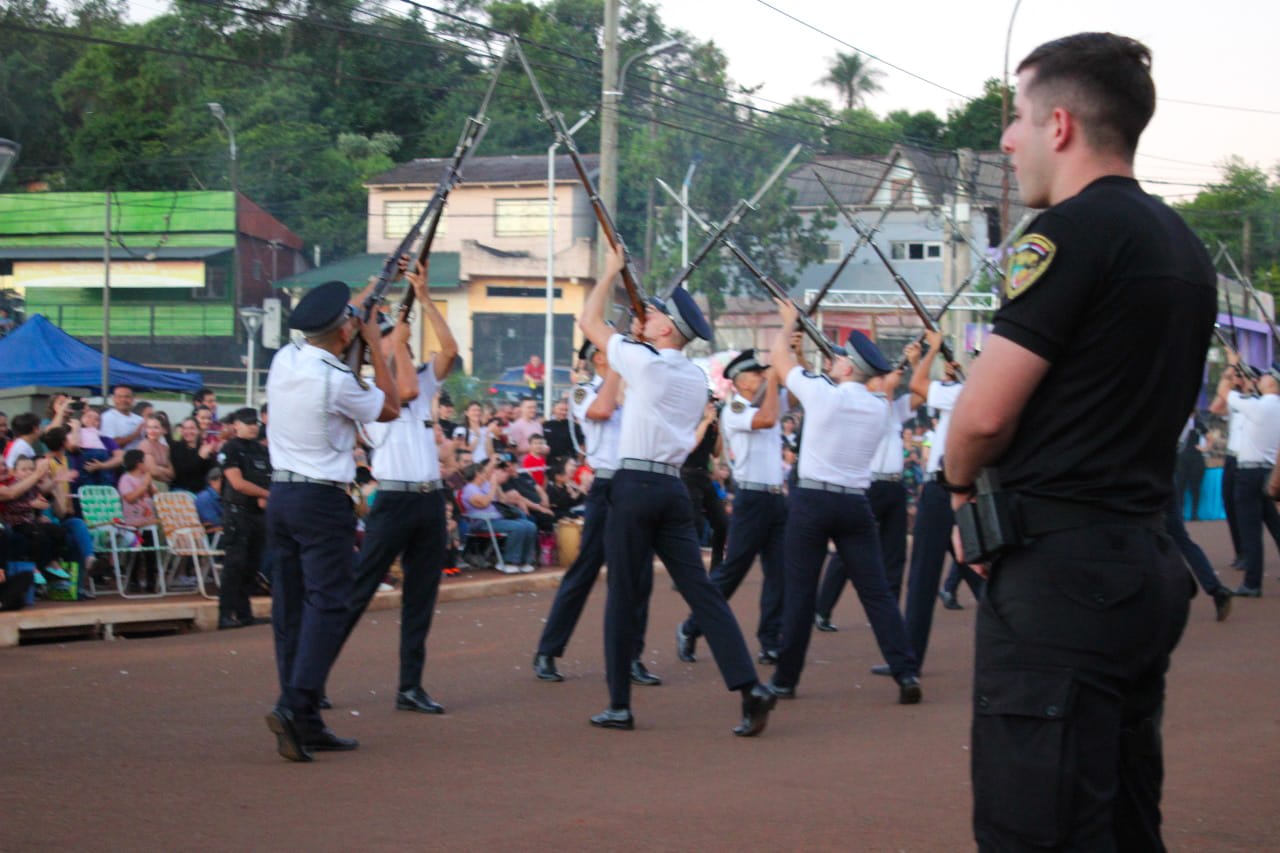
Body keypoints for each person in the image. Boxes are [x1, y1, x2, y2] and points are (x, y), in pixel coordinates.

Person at [943, 33, 1217, 849]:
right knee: (1124, 817)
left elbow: (984, 416)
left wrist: (959, 488)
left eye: (1017, 118)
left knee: (1040, 825)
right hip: (1137, 556)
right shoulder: (1181, 244)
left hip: (1061, 579)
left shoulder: (1068, 234)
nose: (1007, 139)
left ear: (1059, 125)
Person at [577, 244, 775, 736]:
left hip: (634, 484)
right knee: (703, 593)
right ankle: (749, 687)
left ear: (666, 330)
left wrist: (608, 274)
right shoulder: (691, 375)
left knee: (623, 595)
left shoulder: (644, 362)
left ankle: (619, 704)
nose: (648, 317)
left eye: (655, 315)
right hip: (671, 489)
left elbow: (588, 322)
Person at [262, 278, 400, 763]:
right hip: (322, 501)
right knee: (329, 606)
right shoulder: (337, 380)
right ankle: (294, 704)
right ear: (346, 333)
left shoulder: (286, 359)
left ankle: (306, 721)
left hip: (281, 495)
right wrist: (377, 347)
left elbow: (333, 320)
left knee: (291, 611)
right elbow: (389, 406)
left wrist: (368, 294)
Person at [766, 319, 921, 705]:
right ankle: (905, 672)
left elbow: (778, 360)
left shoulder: (822, 392)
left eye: (838, 359)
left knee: (801, 593)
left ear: (849, 368)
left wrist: (787, 325)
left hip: (812, 501)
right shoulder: (878, 407)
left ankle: (786, 680)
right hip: (855, 502)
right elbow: (883, 384)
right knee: (877, 592)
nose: (832, 362)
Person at [330, 257, 459, 717]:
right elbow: (401, 391)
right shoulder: (366, 387)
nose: (394, 337)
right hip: (394, 499)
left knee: (421, 597)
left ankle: (411, 686)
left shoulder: (422, 377)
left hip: (428, 498)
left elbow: (449, 349)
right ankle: (316, 673)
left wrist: (423, 300)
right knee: (359, 592)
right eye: (383, 334)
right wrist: (397, 344)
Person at [532, 336, 657, 685]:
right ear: (598, 357)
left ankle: (632, 656)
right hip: (607, 485)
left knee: (639, 574)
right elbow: (602, 410)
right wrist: (618, 372)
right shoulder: (584, 392)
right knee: (585, 570)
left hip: (636, 483)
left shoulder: (634, 390)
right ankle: (548, 650)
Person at [676, 349, 786, 666]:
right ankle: (691, 627)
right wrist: (776, 377)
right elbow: (766, 420)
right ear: (740, 382)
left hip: (775, 497)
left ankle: (770, 640)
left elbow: (790, 390)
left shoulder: (768, 400)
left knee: (779, 574)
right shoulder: (735, 408)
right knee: (732, 572)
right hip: (752, 499)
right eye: (757, 374)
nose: (763, 376)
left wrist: (788, 354)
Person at [890, 329, 982, 677]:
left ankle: (909, 662)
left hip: (941, 489)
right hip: (962, 489)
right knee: (973, 570)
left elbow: (917, 385)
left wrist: (930, 348)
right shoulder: (966, 392)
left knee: (923, 579)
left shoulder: (961, 392)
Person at [815, 350, 917, 630]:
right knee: (850, 552)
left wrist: (919, 360)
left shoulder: (893, 406)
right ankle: (822, 609)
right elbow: (885, 394)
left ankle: (889, 615)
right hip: (871, 484)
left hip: (894, 485)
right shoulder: (870, 403)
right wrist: (895, 377)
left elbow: (920, 392)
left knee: (895, 553)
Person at [1210, 353, 1280, 597]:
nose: (1262, 378)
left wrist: (1231, 362)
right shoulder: (1270, 406)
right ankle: (1252, 581)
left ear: (1272, 383)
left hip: (1248, 472)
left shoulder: (1255, 406)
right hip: (1266, 471)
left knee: (1250, 531)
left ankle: (1252, 583)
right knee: (1273, 523)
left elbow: (1223, 391)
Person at [217, 408, 271, 630]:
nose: (253, 426)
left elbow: (269, 477)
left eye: (255, 422)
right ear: (235, 425)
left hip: (257, 514)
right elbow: (237, 483)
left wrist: (265, 495)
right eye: (247, 422)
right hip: (237, 512)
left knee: (252, 565)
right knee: (235, 564)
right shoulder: (230, 448)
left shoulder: (261, 449)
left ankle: (244, 613)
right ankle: (225, 614)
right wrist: (266, 494)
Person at [459, 461, 537, 573]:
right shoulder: (469, 489)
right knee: (518, 528)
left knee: (530, 526)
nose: (486, 474)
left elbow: (502, 500)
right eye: (484, 472)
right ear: (477, 474)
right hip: (482, 523)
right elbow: (484, 503)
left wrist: (497, 486)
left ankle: (524, 561)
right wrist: (493, 486)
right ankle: (509, 561)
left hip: (498, 519)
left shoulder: (485, 485)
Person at [171, 417, 217, 494]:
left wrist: (210, 456)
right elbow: (182, 472)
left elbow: (212, 472)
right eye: (185, 428)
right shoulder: (176, 447)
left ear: (198, 430)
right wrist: (200, 457)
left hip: (201, 490)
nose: (188, 432)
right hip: (180, 489)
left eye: (192, 428)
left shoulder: (204, 448)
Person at [100, 385, 145, 450]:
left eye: (127, 397)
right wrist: (135, 435)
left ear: (133, 399)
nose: (123, 400)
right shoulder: (107, 417)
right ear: (114, 399)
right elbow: (111, 444)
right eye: (119, 397)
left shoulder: (140, 419)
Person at [138, 416, 175, 491]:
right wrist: (167, 479)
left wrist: (159, 468)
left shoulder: (165, 448)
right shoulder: (145, 445)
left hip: (163, 486)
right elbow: (153, 472)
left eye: (156, 427)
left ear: (163, 430)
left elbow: (172, 473)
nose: (152, 430)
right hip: (149, 487)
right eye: (149, 427)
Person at [196, 467, 224, 532]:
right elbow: (212, 524)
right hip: (214, 537)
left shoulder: (222, 496)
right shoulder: (204, 498)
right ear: (211, 481)